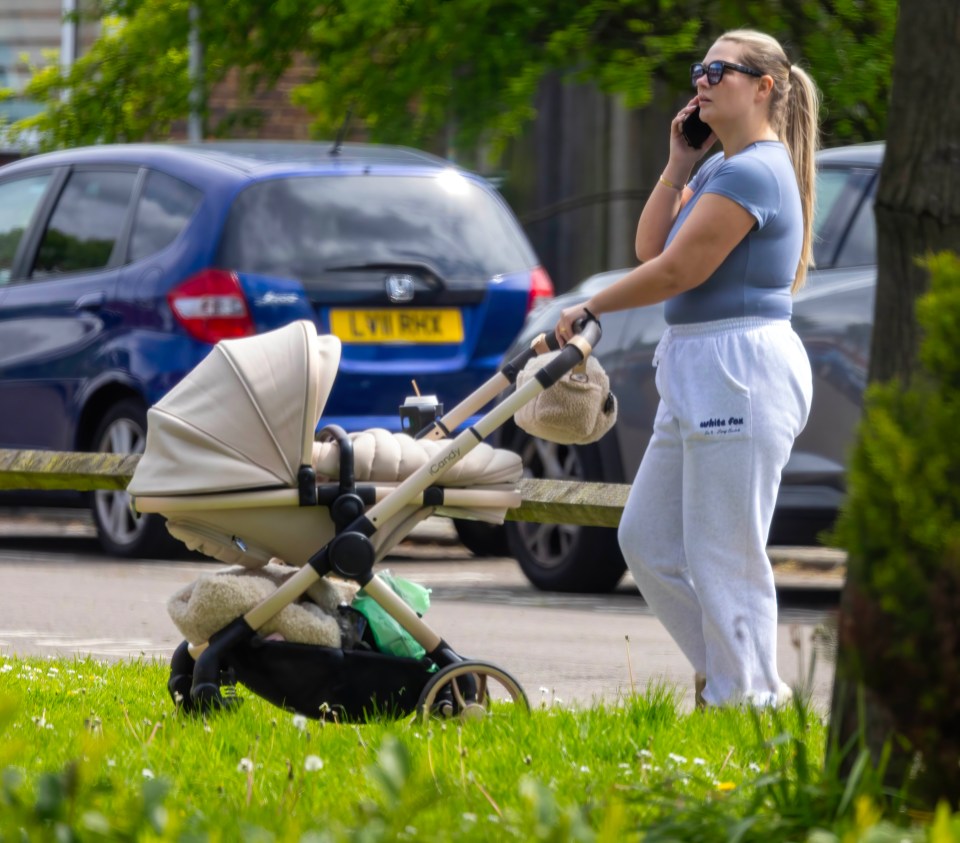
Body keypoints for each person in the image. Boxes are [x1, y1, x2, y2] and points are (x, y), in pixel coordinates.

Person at [553, 29, 819, 708]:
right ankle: (743, 684)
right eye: (700, 69)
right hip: (700, 366)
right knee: (646, 539)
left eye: (719, 70)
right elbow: (651, 248)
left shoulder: (757, 169)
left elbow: (677, 271)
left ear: (763, 87)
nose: (701, 80)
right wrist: (677, 164)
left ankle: (747, 701)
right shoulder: (717, 168)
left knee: (725, 554)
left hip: (740, 368)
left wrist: (592, 305)